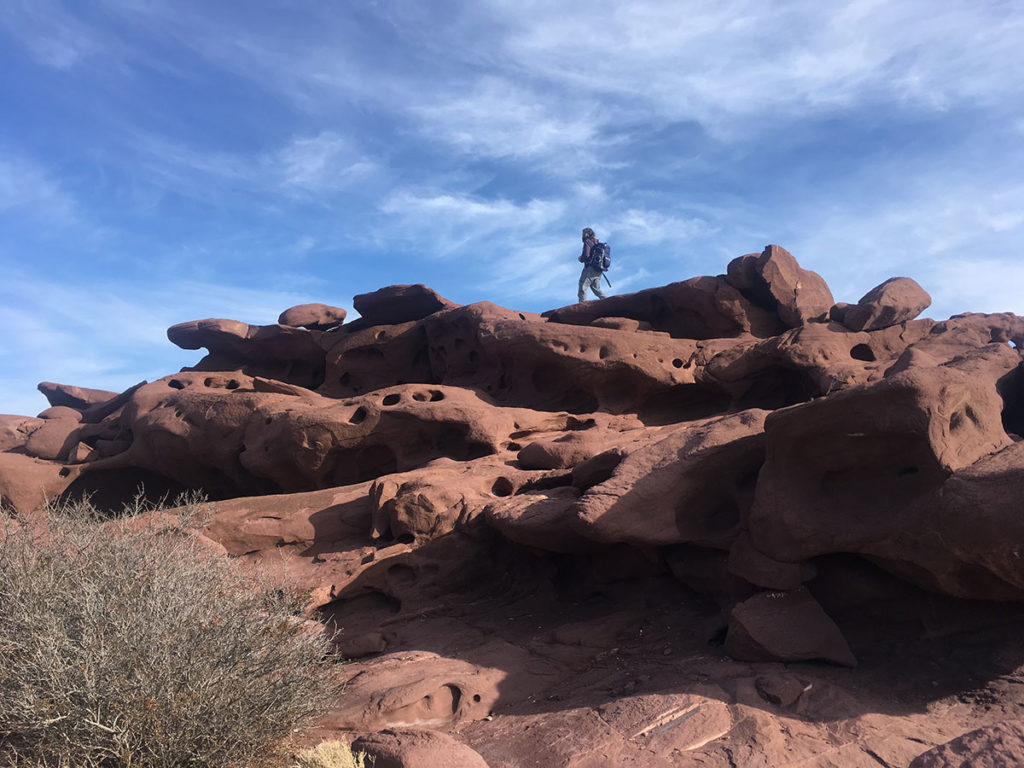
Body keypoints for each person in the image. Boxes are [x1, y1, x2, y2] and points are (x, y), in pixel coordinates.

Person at [577, 227, 606, 302]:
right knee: (596, 288)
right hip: (599, 269)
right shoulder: (596, 242)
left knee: (582, 286)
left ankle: (582, 305)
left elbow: (586, 255)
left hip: (590, 268)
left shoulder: (587, 241)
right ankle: (608, 302)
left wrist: (581, 258)